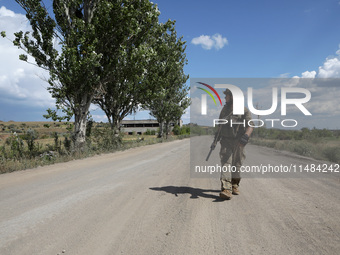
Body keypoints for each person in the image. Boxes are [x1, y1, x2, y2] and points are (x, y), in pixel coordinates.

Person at [214, 88, 254, 200]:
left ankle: (234, 185)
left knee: (237, 164)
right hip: (226, 141)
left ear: (233, 97)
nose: (225, 98)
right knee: (226, 163)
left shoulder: (244, 110)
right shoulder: (224, 110)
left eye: (226, 96)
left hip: (239, 142)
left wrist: (246, 136)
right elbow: (220, 125)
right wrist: (216, 138)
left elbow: (250, 125)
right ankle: (226, 189)